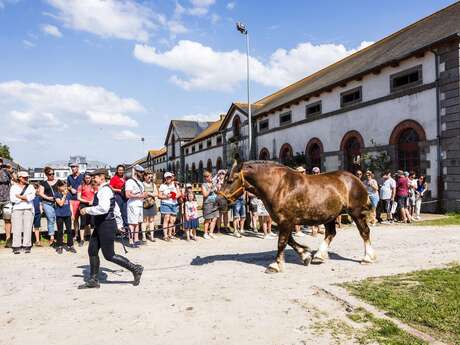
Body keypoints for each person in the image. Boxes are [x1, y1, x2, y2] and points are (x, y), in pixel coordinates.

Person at [79, 168, 143, 289]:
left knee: (109, 255)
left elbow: (103, 208)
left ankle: (135, 268)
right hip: (101, 224)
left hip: (106, 225)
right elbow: (116, 208)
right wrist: (119, 224)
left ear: (102, 177)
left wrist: (86, 210)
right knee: (92, 250)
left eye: (95, 177)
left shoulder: (105, 191)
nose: (93, 179)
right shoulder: (104, 190)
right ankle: (93, 280)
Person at [9, 171, 35, 254]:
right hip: (17, 209)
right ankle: (16, 246)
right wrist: (25, 198)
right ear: (19, 177)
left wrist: (19, 197)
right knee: (16, 228)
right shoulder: (13, 187)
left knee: (28, 227)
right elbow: (13, 199)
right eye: (24, 177)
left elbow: (32, 197)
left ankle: (27, 245)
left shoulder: (30, 186)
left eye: (27, 177)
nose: (26, 178)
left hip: (28, 208)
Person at [125, 165, 147, 246]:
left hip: (139, 204)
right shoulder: (130, 182)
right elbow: (127, 195)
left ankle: (136, 239)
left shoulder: (140, 182)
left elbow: (143, 193)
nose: (142, 174)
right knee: (131, 223)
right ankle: (131, 241)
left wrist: (144, 195)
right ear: (136, 172)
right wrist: (139, 196)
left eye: (142, 172)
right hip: (132, 205)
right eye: (140, 172)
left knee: (137, 223)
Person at [54, 180, 76, 254]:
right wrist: (64, 195)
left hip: (67, 214)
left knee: (69, 230)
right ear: (58, 187)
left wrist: (72, 214)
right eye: (63, 186)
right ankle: (59, 246)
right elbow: (60, 203)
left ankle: (70, 245)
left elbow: (70, 204)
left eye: (65, 186)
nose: (65, 187)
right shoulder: (56, 194)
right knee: (60, 231)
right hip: (59, 215)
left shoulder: (68, 194)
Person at [38, 166, 58, 246]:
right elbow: (40, 193)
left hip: (57, 203)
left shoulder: (58, 181)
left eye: (53, 174)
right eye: (50, 174)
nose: (52, 175)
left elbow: (64, 190)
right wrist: (48, 198)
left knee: (59, 219)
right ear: (46, 175)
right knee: (51, 219)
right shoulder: (43, 183)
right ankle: (52, 237)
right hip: (47, 203)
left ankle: (59, 235)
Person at [159, 172, 180, 241]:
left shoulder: (175, 185)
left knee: (172, 220)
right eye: (167, 177)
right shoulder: (162, 186)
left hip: (174, 204)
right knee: (166, 219)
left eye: (170, 177)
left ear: (172, 178)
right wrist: (166, 196)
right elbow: (159, 196)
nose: (169, 178)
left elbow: (179, 193)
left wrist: (175, 196)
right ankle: (165, 235)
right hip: (166, 203)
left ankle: (170, 234)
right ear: (165, 178)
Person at [77, 173, 97, 246]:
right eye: (86, 178)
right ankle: (82, 239)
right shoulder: (81, 186)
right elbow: (78, 197)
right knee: (83, 223)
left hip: (92, 205)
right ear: (84, 178)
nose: (87, 179)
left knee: (92, 223)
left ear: (91, 178)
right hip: (83, 205)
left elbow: (96, 195)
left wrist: (93, 201)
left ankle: (92, 239)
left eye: (89, 178)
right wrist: (87, 201)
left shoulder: (94, 186)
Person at [67, 163, 83, 243]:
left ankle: (85, 235)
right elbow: (68, 186)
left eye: (74, 167)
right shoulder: (69, 177)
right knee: (75, 219)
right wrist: (71, 189)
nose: (73, 168)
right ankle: (76, 235)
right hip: (73, 199)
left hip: (82, 200)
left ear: (78, 168)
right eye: (72, 167)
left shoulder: (82, 176)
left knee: (84, 219)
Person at [109, 165, 127, 229]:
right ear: (117, 170)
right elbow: (111, 188)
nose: (121, 171)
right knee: (118, 213)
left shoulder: (125, 178)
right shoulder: (114, 178)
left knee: (125, 213)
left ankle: (125, 228)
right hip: (118, 197)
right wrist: (119, 190)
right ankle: (119, 229)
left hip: (125, 197)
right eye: (119, 170)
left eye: (122, 170)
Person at [202, 170, 219, 239]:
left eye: (211, 176)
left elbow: (217, 192)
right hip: (208, 203)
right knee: (208, 219)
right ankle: (205, 233)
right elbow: (205, 195)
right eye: (209, 177)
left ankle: (211, 233)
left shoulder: (213, 184)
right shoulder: (204, 185)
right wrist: (210, 189)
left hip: (215, 203)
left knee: (214, 218)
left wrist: (216, 189)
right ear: (206, 178)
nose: (211, 178)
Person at [0, 158, 13, 248]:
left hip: (6, 199)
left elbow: (16, 179)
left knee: (7, 220)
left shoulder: (6, 171)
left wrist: (11, 170)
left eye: (0, 161)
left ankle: (8, 239)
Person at [142, 171, 158, 242]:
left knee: (151, 220)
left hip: (152, 204)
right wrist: (151, 194)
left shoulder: (153, 185)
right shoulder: (141, 184)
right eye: (149, 176)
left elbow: (156, 194)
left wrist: (148, 193)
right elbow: (141, 194)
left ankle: (152, 236)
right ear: (145, 176)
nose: (150, 178)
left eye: (151, 177)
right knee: (144, 220)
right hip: (144, 204)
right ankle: (144, 236)